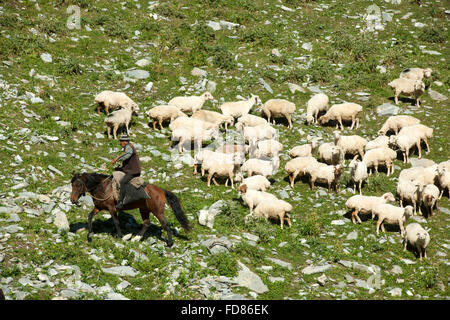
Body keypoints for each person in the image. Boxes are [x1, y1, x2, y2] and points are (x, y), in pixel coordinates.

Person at [112, 134, 142, 210]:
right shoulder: (127, 147)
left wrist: (117, 159)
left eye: (121, 141)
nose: (120, 143)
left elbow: (126, 156)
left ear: (125, 142)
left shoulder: (129, 147)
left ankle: (121, 202)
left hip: (133, 171)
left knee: (123, 182)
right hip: (128, 170)